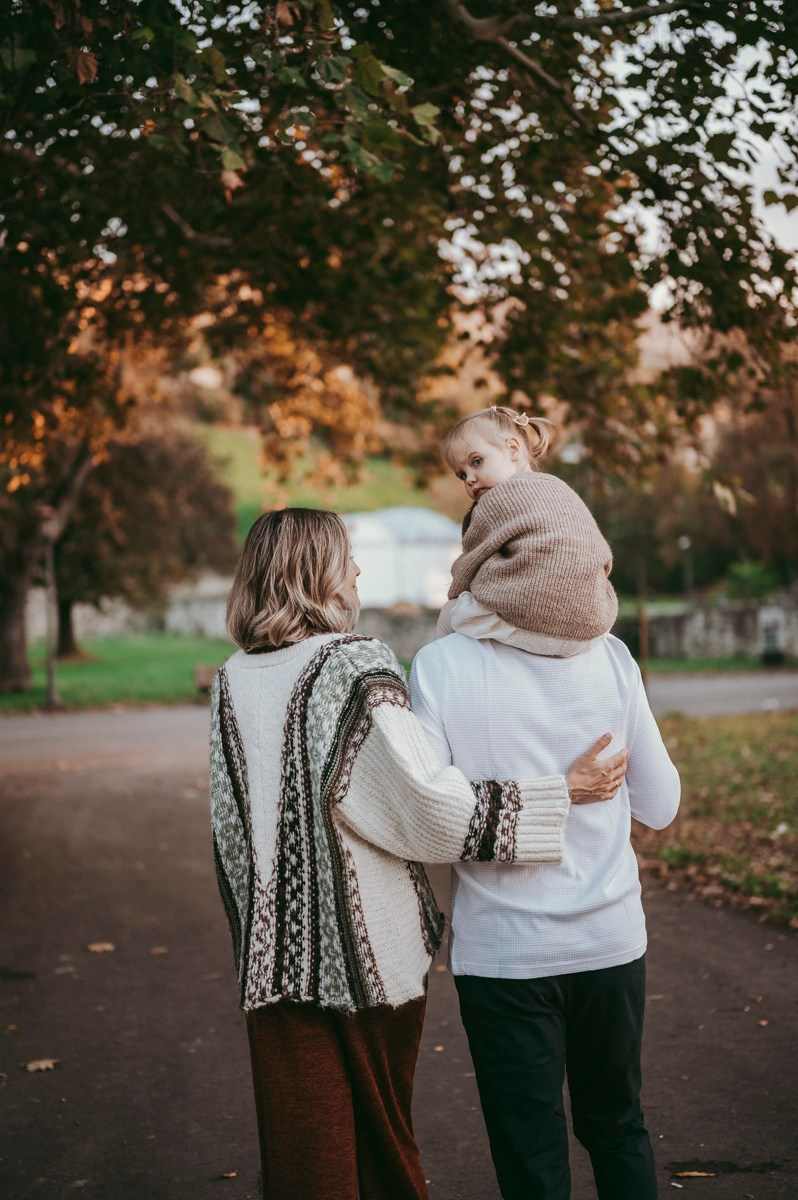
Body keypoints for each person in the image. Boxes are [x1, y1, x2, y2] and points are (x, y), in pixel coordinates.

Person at [209, 507, 628, 1200]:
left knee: (302, 1164)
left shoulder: (231, 681)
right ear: (316, 570)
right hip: (369, 959)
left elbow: (230, 839)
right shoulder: (352, 667)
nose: (358, 571)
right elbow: (427, 809)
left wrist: (262, 942)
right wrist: (559, 792)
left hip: (271, 965)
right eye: (347, 557)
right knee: (381, 1151)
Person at [409, 423, 681, 1200]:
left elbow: (431, 814)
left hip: (503, 955)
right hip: (608, 939)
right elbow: (660, 806)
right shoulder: (613, 657)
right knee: (618, 1126)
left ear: (483, 555)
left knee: (531, 1160)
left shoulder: (440, 664)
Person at [438, 403, 618, 653]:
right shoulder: (561, 489)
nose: (469, 479)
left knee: (450, 615)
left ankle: (450, 678)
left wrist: (455, 595)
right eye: (461, 474)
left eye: (477, 462)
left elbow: (469, 564)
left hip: (533, 622)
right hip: (591, 630)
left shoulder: (494, 501)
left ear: (512, 449)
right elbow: (598, 552)